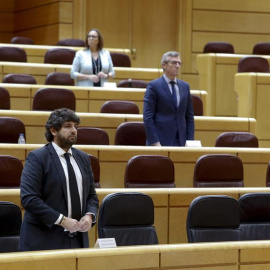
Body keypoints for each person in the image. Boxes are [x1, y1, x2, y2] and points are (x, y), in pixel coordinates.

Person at [19, 108, 99, 251]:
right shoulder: (37, 158)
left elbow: (91, 195)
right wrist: (61, 220)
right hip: (44, 239)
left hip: (78, 239)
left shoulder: (83, 158)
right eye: (68, 126)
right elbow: (29, 199)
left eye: (75, 126)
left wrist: (89, 215)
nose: (73, 130)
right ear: (53, 131)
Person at [143, 51, 194, 146]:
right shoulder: (154, 86)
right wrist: (155, 142)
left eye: (179, 63)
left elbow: (189, 117)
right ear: (164, 65)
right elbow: (148, 117)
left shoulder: (185, 86)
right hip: (161, 141)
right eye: (174, 63)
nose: (177, 66)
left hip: (181, 141)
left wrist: (190, 141)